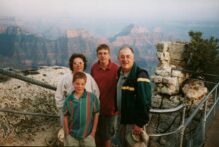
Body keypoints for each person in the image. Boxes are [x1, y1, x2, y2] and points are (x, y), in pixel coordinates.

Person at [116, 46, 151, 147]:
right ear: (118, 59)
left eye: (128, 56)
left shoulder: (140, 75)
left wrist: (140, 124)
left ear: (133, 58)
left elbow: (145, 101)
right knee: (123, 143)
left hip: (134, 123)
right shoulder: (120, 73)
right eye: (122, 57)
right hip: (122, 119)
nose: (125, 59)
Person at [55, 53, 100, 126]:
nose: (78, 65)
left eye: (80, 63)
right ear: (72, 65)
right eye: (75, 63)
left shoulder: (89, 78)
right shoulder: (65, 78)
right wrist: (64, 110)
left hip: (86, 112)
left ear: (84, 64)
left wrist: (92, 108)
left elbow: (96, 94)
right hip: (70, 113)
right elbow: (59, 95)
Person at [91, 44, 118, 147]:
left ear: (109, 55)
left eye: (105, 53)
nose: (102, 56)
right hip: (96, 109)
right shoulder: (94, 68)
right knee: (96, 135)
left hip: (110, 110)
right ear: (97, 55)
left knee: (107, 138)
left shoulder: (116, 69)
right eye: (100, 53)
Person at [63, 72, 100, 147]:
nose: (79, 86)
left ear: (85, 84)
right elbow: (65, 117)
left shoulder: (92, 97)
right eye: (77, 83)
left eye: (82, 84)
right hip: (72, 136)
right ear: (73, 83)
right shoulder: (68, 100)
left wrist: (93, 132)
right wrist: (67, 134)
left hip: (88, 135)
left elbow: (96, 113)